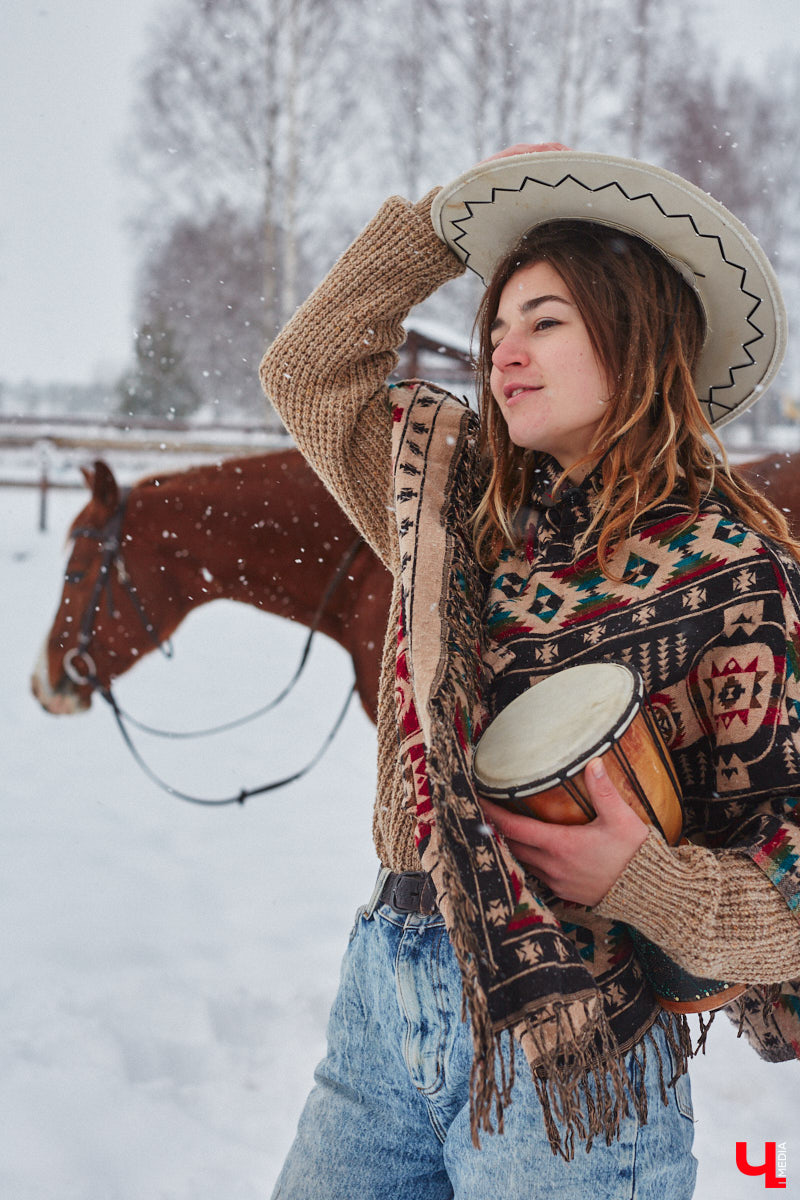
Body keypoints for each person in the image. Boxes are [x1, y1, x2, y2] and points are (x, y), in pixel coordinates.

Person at [259, 144, 800, 1199]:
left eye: (543, 321)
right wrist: (431, 227)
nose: (503, 352)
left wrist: (635, 880)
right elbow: (307, 372)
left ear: (637, 336)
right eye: (494, 327)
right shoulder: (454, 522)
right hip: (387, 987)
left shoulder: (737, 572)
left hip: (576, 1056)